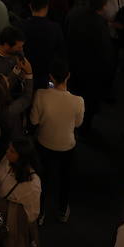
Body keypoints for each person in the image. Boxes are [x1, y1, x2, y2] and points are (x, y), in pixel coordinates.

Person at [30, 62, 84, 222]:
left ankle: (40, 212)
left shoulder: (40, 95)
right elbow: (78, 124)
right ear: (68, 76)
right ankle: (62, 209)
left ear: (51, 77)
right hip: (67, 145)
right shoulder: (78, 101)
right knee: (65, 177)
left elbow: (33, 121)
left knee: (42, 177)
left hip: (44, 143)